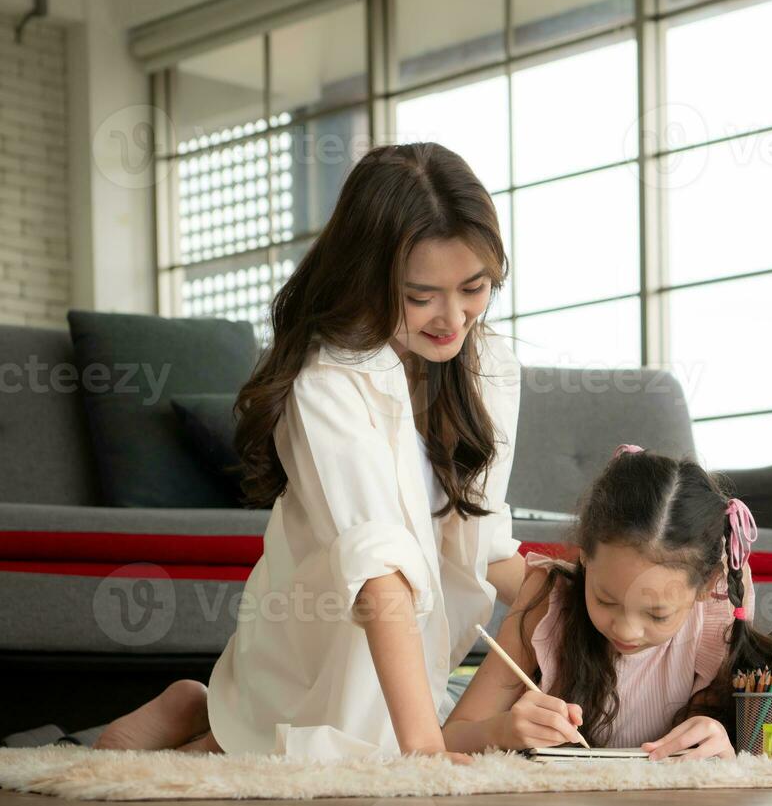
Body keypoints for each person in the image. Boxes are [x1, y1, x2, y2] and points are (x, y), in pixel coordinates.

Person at [95, 143, 523, 762]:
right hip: (333, 607)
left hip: (406, 630)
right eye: (420, 295)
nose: (452, 318)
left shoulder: (493, 369)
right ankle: (199, 714)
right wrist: (425, 753)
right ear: (368, 280)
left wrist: (556, 589)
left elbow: (479, 535)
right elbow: (378, 573)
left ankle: (213, 719)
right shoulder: (327, 381)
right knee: (303, 751)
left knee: (542, 599)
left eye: (474, 288)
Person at [443, 446, 772, 761]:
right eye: (605, 599)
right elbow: (447, 737)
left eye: (657, 614)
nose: (626, 630)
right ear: (584, 555)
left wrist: (723, 739)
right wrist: (502, 731)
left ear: (706, 587)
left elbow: (768, 759)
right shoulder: (548, 597)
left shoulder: (716, 612)